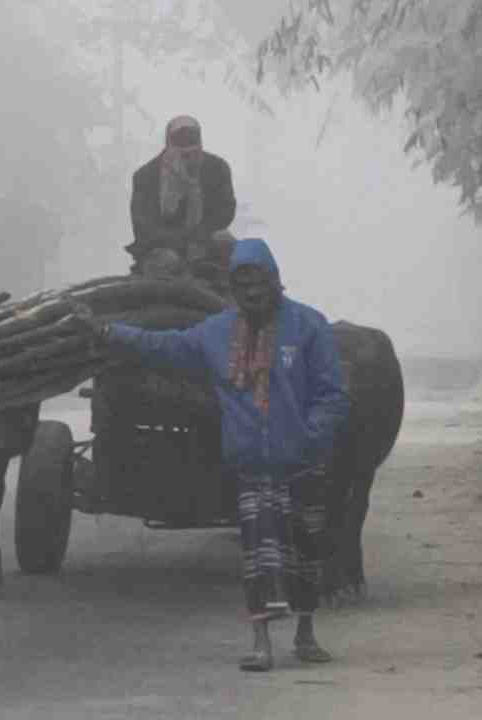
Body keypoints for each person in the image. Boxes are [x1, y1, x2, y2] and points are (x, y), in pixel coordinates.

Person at [73, 238, 350, 672]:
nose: (252, 292)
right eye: (242, 285)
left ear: (275, 280)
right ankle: (260, 643)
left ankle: (305, 633)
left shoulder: (309, 326)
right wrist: (108, 333)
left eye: (259, 282)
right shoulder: (216, 332)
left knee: (306, 552)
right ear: (233, 289)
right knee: (258, 556)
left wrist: (309, 437)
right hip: (251, 464)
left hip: (302, 462)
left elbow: (332, 395)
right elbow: (161, 346)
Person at [127, 115, 237, 277]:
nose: (187, 154)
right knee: (167, 261)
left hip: (205, 239)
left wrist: (199, 238)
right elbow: (144, 226)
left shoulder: (218, 168)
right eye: (181, 147)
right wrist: (181, 243)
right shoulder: (145, 176)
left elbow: (226, 211)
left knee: (225, 241)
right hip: (160, 246)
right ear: (168, 145)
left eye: (192, 145)